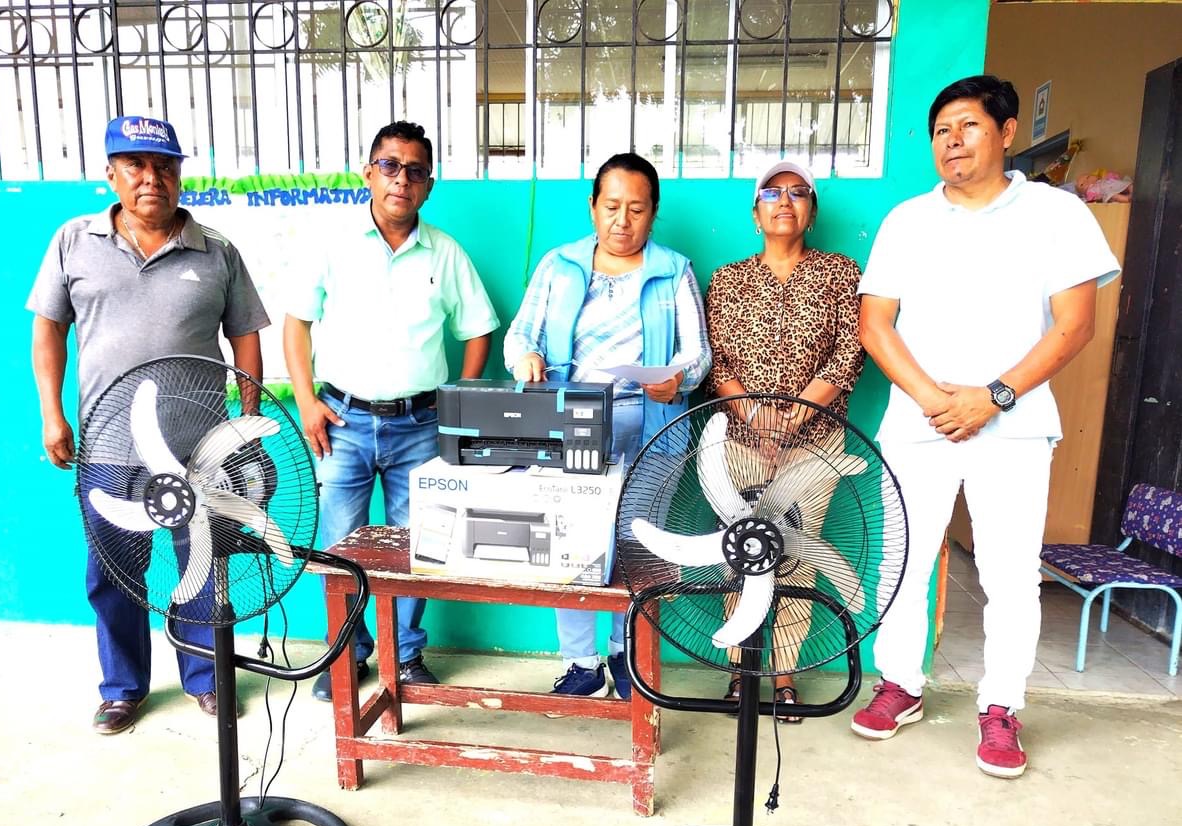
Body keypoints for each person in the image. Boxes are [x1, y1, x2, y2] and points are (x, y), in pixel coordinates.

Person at [851, 75, 1120, 778]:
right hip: (919, 425)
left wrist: (993, 397)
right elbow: (875, 325)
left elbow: (1075, 325)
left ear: (1006, 132)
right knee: (902, 560)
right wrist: (934, 400)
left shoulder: (1057, 214)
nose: (953, 141)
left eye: (968, 126)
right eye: (942, 131)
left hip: (1016, 426)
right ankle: (900, 684)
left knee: (1010, 572)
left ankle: (1001, 706)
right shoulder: (908, 220)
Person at [29, 115, 271, 735]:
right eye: (135, 165)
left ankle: (206, 679)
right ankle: (122, 688)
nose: (151, 178)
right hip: (108, 448)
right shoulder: (73, 242)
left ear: (180, 175)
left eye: (164, 166)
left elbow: (245, 336)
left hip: (201, 451)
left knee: (203, 567)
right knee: (114, 574)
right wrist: (52, 414)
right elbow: (48, 329)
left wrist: (247, 423)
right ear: (111, 174)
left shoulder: (216, 251)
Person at [284, 120, 499, 702]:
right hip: (341, 421)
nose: (401, 179)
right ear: (368, 173)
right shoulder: (332, 244)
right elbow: (296, 325)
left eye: (415, 171)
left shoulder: (445, 253)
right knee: (339, 547)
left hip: (420, 425)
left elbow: (478, 330)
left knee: (417, 544)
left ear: (428, 185)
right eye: (390, 166)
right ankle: (345, 656)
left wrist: (459, 402)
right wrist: (306, 402)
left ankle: (404, 656)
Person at [504, 152, 711, 699]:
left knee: (638, 543)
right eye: (612, 206)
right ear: (593, 206)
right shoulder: (559, 265)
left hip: (651, 422)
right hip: (570, 420)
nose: (623, 220)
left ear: (653, 213)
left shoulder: (674, 270)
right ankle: (580, 663)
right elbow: (520, 334)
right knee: (567, 540)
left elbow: (699, 353)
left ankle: (624, 654)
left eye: (637, 209)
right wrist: (525, 357)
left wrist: (678, 378)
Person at [705, 160, 866, 722]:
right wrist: (755, 416)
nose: (784, 201)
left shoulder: (839, 273)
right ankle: (740, 670)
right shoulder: (727, 280)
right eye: (772, 193)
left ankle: (785, 674)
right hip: (740, 443)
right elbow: (717, 362)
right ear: (755, 214)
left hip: (814, 443)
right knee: (739, 554)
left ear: (811, 212)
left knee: (798, 555)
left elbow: (850, 352)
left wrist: (793, 418)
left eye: (798, 193)